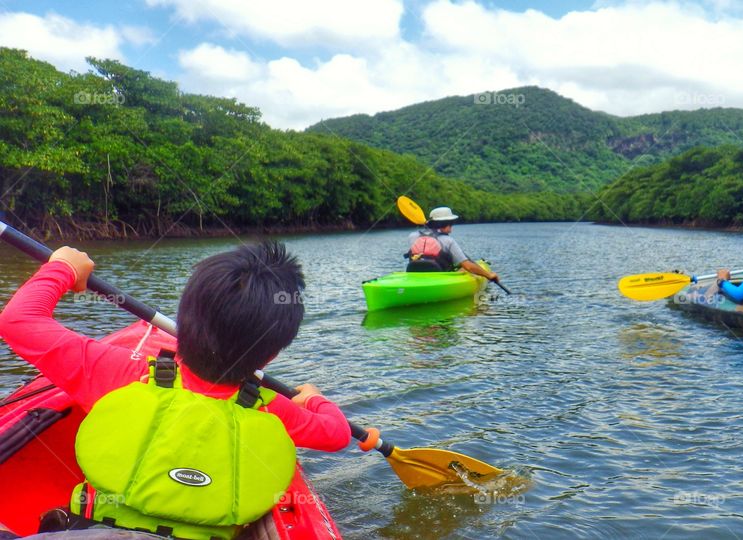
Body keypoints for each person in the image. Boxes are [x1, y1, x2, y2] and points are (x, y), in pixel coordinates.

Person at [0, 241, 351, 538]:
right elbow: (337, 434)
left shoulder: (120, 373)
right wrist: (314, 399)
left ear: (183, 324)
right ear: (272, 353)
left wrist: (62, 267)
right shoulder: (270, 408)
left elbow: (18, 322)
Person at [406, 206, 499, 282]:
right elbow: (468, 266)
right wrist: (489, 275)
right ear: (443, 224)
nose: (451, 230)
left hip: (414, 274)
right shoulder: (448, 240)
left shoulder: (412, 236)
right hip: (441, 277)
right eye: (450, 225)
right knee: (464, 269)